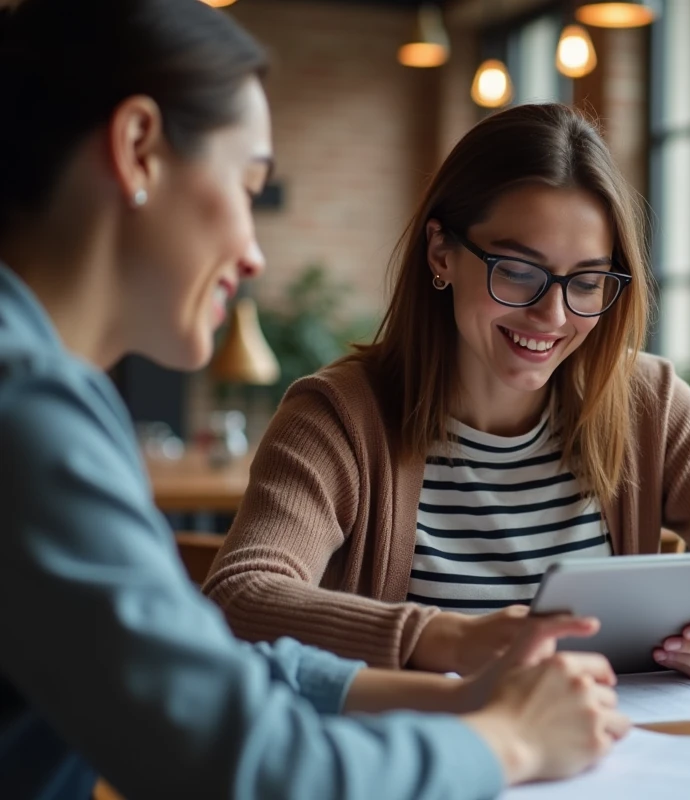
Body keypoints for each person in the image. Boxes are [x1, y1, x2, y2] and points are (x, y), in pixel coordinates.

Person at [0, 1, 629, 798]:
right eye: (249, 185)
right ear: (137, 151)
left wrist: (457, 696)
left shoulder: (44, 393)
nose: (255, 256)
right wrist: (507, 742)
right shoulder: (26, 410)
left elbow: (205, 669)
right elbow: (261, 769)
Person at [202, 101, 690, 682]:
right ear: (441, 253)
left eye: (585, 281)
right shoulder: (341, 417)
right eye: (518, 272)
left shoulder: (646, 403)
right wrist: (447, 638)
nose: (552, 317)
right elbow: (240, 596)